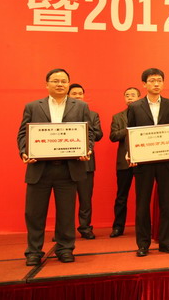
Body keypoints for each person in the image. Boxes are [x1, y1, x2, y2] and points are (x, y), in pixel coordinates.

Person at [17, 69, 94, 266]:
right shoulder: (33, 106)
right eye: (55, 81)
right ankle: (34, 251)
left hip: (68, 169)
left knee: (66, 213)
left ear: (68, 84)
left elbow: (89, 133)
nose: (60, 84)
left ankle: (65, 248)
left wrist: (87, 149)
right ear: (47, 84)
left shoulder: (81, 106)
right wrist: (25, 151)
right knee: (34, 213)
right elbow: (23, 134)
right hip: (39, 168)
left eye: (63, 81)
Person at [127, 68, 169, 257]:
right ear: (144, 84)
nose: (156, 83)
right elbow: (131, 132)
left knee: (166, 203)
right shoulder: (135, 107)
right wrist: (131, 153)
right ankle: (143, 244)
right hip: (143, 161)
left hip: (165, 160)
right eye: (152, 80)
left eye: (159, 80)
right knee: (142, 204)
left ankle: (166, 242)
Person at [68, 83, 103, 240]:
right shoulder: (61, 115)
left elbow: (98, 135)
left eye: (80, 93)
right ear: (68, 96)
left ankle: (85, 227)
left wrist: (84, 128)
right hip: (65, 161)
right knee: (65, 200)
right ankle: (64, 229)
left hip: (86, 162)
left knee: (85, 198)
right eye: (74, 93)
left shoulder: (92, 114)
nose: (77, 96)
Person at [109, 87, 141, 238]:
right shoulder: (117, 117)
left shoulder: (145, 115)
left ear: (139, 97)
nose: (130, 97)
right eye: (127, 95)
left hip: (142, 159)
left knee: (142, 196)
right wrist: (129, 129)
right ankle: (118, 227)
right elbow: (113, 136)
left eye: (133, 95)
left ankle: (142, 227)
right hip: (124, 162)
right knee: (121, 196)